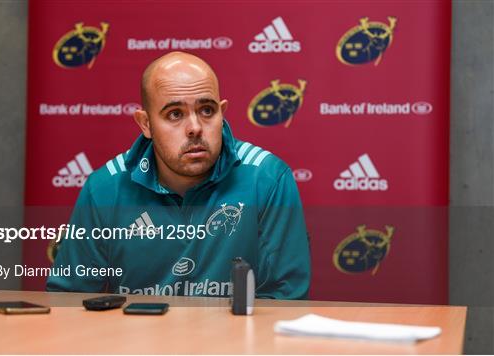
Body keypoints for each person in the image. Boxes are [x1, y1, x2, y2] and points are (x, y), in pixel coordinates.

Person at [46, 52, 311, 299]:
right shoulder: (105, 188)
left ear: (222, 112)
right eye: (175, 114)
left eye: (207, 110)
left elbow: (286, 298)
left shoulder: (267, 178)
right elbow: (68, 300)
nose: (195, 128)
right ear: (146, 123)